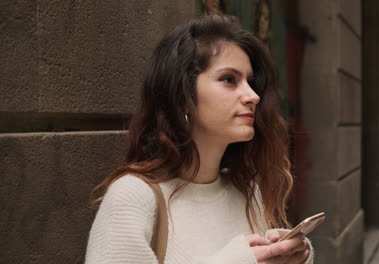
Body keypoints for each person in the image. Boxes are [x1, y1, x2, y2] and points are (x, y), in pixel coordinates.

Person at [85, 13, 314, 264]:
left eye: (249, 82)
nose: (252, 96)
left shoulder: (247, 191)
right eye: (229, 79)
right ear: (182, 95)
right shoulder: (132, 196)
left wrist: (294, 257)